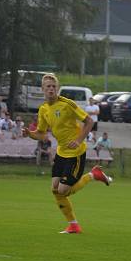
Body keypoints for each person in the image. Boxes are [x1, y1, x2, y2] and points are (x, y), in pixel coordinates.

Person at [22, 74, 112, 234]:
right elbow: (42, 134)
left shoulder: (67, 104)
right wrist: (29, 134)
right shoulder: (43, 109)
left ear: (56, 89)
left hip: (76, 153)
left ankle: (93, 175)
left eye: (53, 86)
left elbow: (89, 122)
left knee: (63, 190)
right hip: (61, 153)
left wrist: (78, 140)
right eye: (48, 86)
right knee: (55, 190)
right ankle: (73, 225)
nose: (51, 89)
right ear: (43, 89)